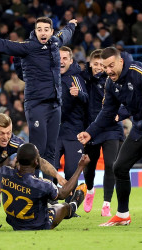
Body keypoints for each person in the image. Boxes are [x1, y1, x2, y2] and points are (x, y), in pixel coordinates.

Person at [0, 17, 77, 181]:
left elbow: (66, 34)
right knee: (37, 150)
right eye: (39, 29)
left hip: (55, 104)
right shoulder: (27, 47)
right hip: (36, 104)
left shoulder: (55, 43)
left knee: (51, 150)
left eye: (46, 29)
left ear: (51, 31)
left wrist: (72, 25)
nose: (43, 32)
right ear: (35, 31)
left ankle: (50, 192)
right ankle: (34, 188)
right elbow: (3, 45)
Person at [77, 47, 142, 226]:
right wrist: (89, 132)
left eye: (111, 66)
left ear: (121, 61)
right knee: (119, 167)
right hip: (140, 128)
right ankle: (123, 215)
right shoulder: (111, 83)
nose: (108, 70)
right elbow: (106, 113)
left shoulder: (140, 72)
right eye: (105, 67)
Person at [0, 143, 89, 230]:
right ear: (36, 162)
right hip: (38, 224)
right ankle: (73, 205)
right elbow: (64, 193)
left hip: (14, 223)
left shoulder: (4, 173)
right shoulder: (42, 185)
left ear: (17, 159)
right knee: (63, 206)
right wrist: (80, 167)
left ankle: (47, 201)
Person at [80, 49, 124, 217]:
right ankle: (90, 190)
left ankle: (107, 204)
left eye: (102, 65)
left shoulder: (112, 81)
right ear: (90, 64)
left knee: (110, 165)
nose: (99, 68)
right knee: (89, 168)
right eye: (96, 64)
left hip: (111, 127)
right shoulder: (85, 80)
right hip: (91, 128)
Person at [54, 46, 88, 201]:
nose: (61, 61)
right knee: (50, 169)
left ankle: (69, 207)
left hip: (73, 132)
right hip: (54, 132)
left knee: (71, 171)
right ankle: (49, 203)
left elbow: (87, 99)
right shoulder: (50, 77)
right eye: (58, 57)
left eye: (65, 58)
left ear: (70, 61)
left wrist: (78, 94)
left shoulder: (75, 78)